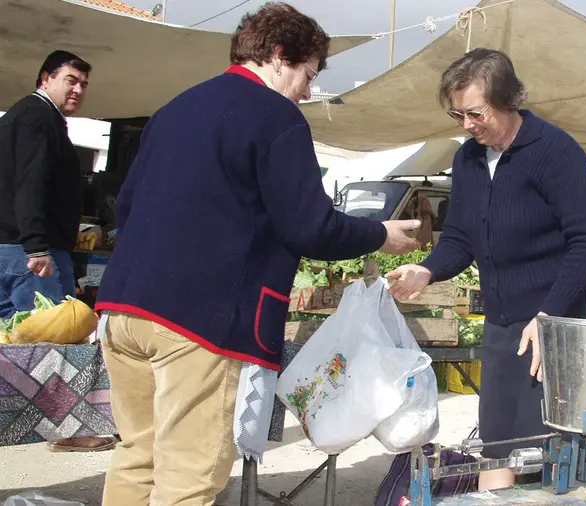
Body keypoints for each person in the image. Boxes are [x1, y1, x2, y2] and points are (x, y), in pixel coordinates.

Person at [93, 4, 420, 505]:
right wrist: (379, 234)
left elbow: (127, 208)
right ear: (279, 55)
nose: (308, 91)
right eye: (307, 74)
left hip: (122, 307)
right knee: (189, 474)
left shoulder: (174, 108)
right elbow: (311, 226)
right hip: (196, 318)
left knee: (138, 457)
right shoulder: (275, 116)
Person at [385, 48, 586, 491]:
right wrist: (426, 271)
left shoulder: (554, 151)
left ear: (507, 99)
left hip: (550, 326)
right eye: (457, 114)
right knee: (496, 443)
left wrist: (549, 318)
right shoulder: (468, 159)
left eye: (475, 113)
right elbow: (461, 239)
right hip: (503, 324)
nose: (467, 125)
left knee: (539, 451)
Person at [0, 50, 91, 319]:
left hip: (15, 249)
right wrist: (37, 247)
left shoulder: (26, 115)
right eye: (70, 80)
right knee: (49, 351)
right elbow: (32, 181)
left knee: (12, 348)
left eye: (83, 84)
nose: (77, 89)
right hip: (30, 254)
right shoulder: (38, 116)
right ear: (45, 79)